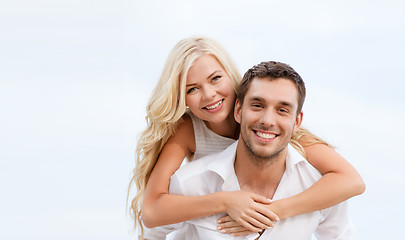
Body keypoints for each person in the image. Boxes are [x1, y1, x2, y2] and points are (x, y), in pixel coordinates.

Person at [127, 36, 365, 239]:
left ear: (232, 77)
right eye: (192, 89)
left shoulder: (281, 132)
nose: (209, 95)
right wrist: (226, 201)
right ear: (182, 99)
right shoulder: (189, 132)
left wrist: (271, 211)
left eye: (215, 79)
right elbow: (152, 211)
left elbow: (351, 181)